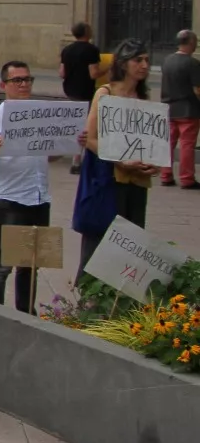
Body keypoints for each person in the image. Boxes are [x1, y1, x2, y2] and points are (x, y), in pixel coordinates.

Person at [75, 40, 160, 274]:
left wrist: (154, 164)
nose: (144, 65)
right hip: (108, 180)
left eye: (147, 60)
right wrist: (121, 161)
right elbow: (90, 139)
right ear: (123, 64)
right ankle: (89, 293)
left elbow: (152, 144)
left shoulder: (144, 98)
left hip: (137, 182)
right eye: (138, 60)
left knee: (130, 244)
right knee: (100, 241)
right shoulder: (105, 93)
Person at [0, 61, 52, 312]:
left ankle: (26, 315)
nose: (23, 84)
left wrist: (66, 142)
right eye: (17, 80)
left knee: (30, 264)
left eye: (27, 79)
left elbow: (51, 153)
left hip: (39, 197)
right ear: (3, 85)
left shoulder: (41, 114)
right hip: (9, 200)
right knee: (1, 265)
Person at [59, 22, 102, 174]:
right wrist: (108, 69)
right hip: (85, 92)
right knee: (85, 128)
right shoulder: (91, 50)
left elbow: (62, 73)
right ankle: (77, 161)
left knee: (77, 125)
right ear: (86, 32)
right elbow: (93, 74)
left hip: (70, 91)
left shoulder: (67, 50)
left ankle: (76, 158)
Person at [159, 30, 200, 189]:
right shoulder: (193, 63)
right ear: (191, 42)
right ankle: (187, 178)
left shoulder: (167, 60)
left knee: (168, 144)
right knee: (187, 145)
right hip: (188, 109)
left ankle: (166, 175)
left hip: (169, 107)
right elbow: (197, 90)